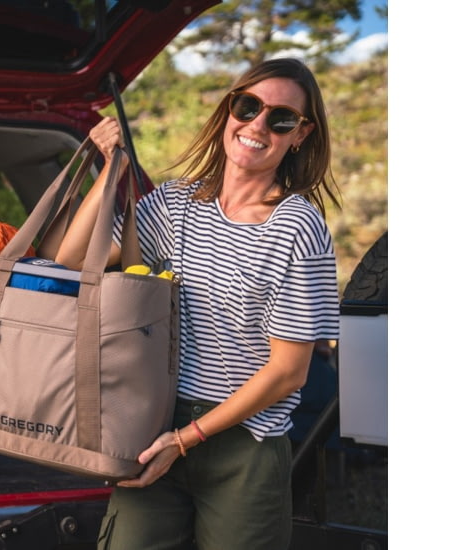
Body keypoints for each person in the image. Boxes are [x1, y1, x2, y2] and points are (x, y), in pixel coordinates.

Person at [54, 58, 341, 550]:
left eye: (280, 118)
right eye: (248, 107)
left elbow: (289, 372)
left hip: (244, 446)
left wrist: (187, 440)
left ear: (301, 133)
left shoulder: (298, 227)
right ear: (228, 110)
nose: (257, 125)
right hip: (152, 424)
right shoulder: (173, 204)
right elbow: (74, 259)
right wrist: (111, 170)